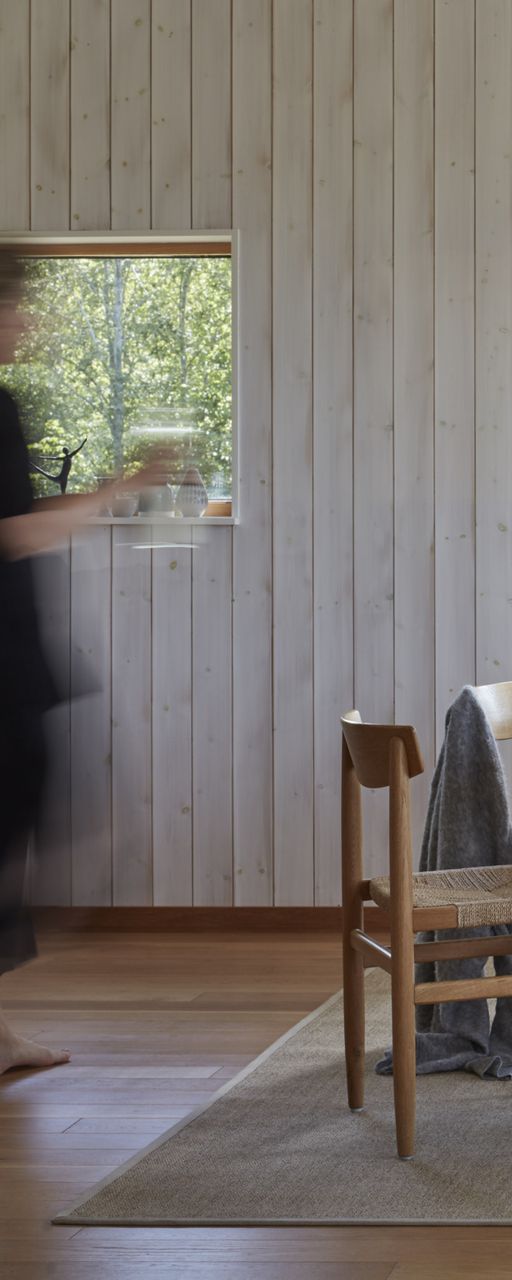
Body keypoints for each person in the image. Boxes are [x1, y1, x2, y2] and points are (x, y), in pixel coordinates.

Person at [0, 247, 171, 1072]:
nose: (28, 321)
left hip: (18, 666)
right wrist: (115, 490)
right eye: (17, 306)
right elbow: (18, 531)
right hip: (3, 676)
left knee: (13, 847)